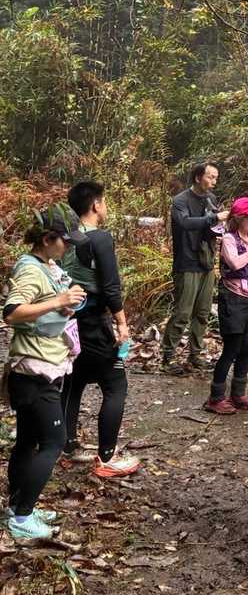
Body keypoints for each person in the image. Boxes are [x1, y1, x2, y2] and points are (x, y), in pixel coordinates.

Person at [3, 221, 85, 542]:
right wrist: (58, 301)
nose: (69, 248)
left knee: (27, 441)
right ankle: (22, 516)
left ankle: (16, 507)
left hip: (41, 367)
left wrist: (67, 304)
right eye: (66, 242)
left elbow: (44, 310)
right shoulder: (30, 270)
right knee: (54, 442)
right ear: (48, 239)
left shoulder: (45, 265)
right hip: (35, 371)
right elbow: (12, 312)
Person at [60, 179, 141, 478]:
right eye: (103, 201)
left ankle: (67, 447)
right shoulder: (100, 238)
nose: (104, 206)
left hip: (68, 321)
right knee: (115, 384)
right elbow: (110, 286)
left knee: (74, 381)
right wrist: (121, 323)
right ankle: (107, 457)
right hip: (94, 320)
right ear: (95, 204)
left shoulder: (67, 238)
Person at [162, 161, 228, 374]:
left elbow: (212, 227)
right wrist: (214, 218)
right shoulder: (180, 201)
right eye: (210, 176)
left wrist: (220, 226)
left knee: (202, 312)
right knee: (183, 312)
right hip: (187, 262)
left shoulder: (211, 199)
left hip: (206, 261)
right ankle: (168, 357)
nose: (214, 181)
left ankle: (196, 355)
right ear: (198, 177)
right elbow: (185, 223)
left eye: (216, 177)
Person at [205, 196, 248, 415]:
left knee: (247, 347)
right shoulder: (229, 239)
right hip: (232, 298)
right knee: (231, 348)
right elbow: (234, 263)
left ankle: (238, 393)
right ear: (239, 218)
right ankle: (215, 397)